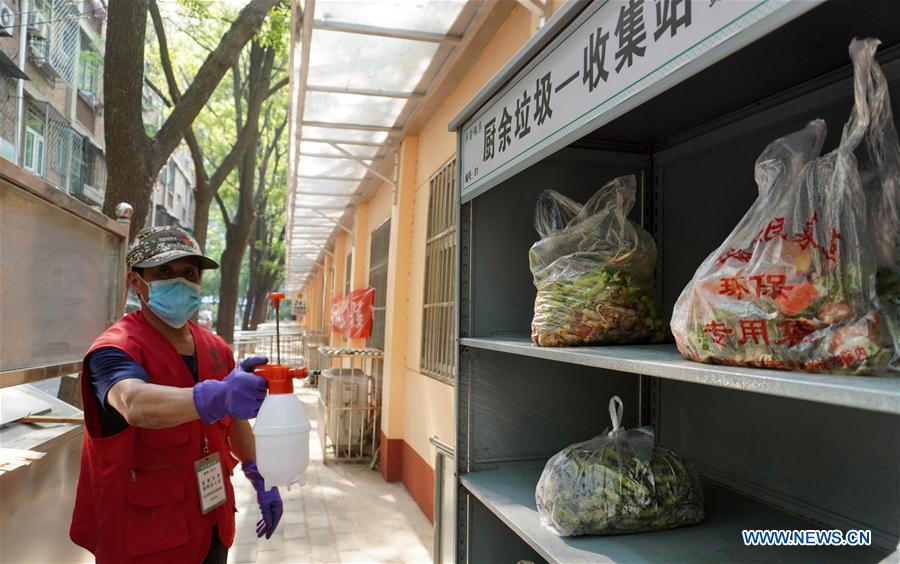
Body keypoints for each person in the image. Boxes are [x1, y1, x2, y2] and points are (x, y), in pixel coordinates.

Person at [70, 226, 283, 564]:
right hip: (145, 535)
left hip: (211, 522)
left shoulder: (216, 350)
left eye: (189, 273)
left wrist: (262, 478)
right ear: (135, 282)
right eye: (165, 271)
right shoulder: (114, 350)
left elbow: (235, 426)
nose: (181, 281)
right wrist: (215, 396)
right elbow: (134, 403)